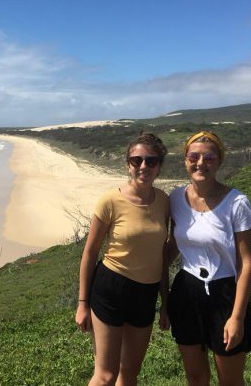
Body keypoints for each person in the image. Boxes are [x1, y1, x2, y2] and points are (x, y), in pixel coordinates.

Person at [160, 131, 251, 386]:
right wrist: (164, 300)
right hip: (186, 291)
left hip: (225, 293)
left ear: (219, 161)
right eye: (193, 156)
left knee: (229, 379)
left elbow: (246, 262)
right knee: (195, 377)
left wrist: (237, 316)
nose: (200, 163)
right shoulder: (176, 199)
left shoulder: (237, 203)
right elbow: (172, 247)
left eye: (209, 157)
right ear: (185, 160)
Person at [75, 133, 170, 386]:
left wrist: (165, 302)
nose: (143, 166)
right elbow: (90, 252)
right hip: (111, 288)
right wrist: (83, 303)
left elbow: (161, 254)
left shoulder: (163, 201)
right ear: (128, 164)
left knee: (129, 375)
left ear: (159, 165)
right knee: (106, 376)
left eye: (151, 161)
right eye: (136, 160)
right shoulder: (110, 200)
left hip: (146, 293)